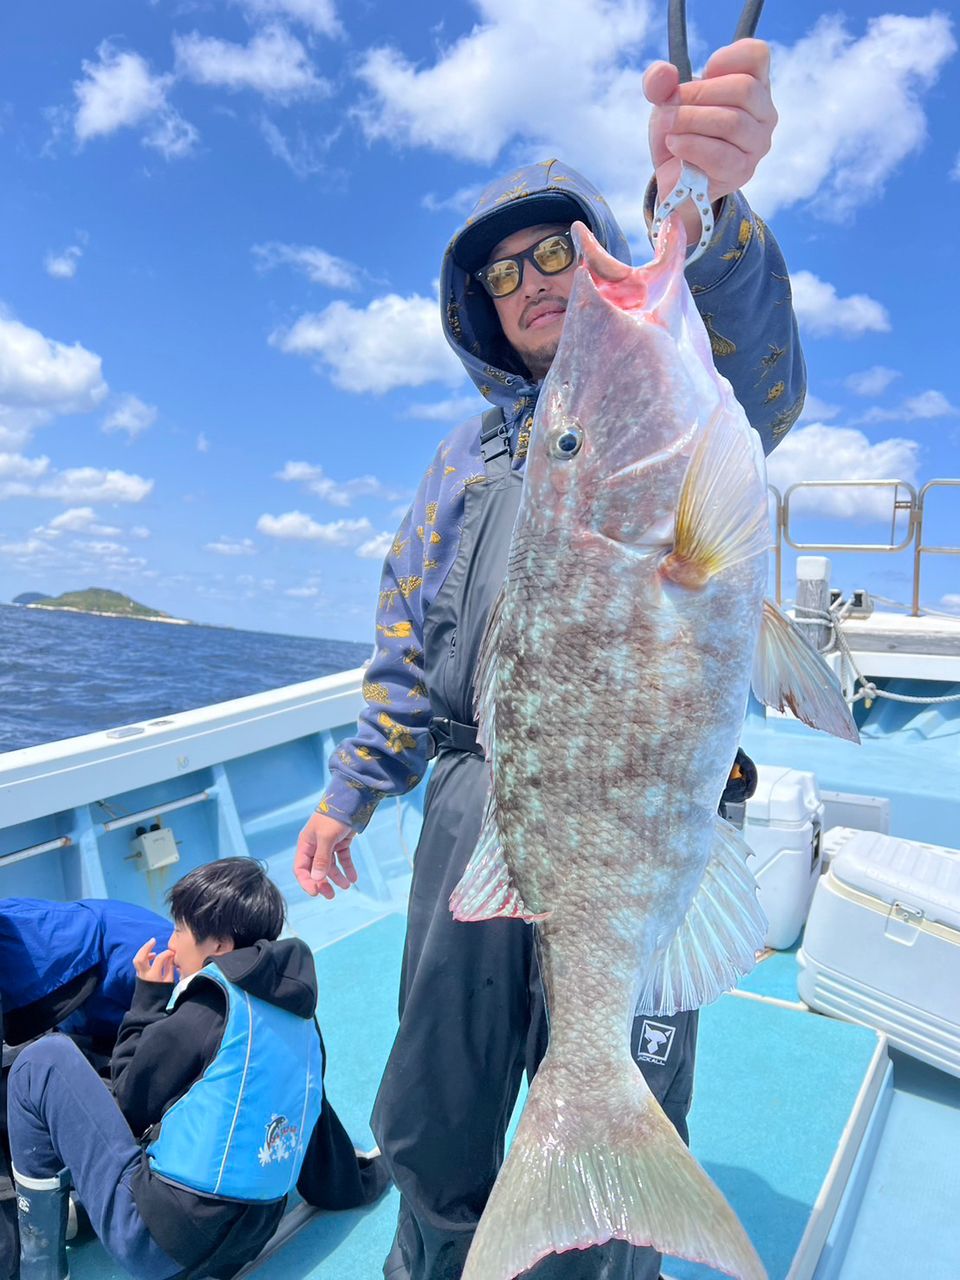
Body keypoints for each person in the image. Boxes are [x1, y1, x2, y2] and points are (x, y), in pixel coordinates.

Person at [293, 38, 801, 1280]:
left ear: (602, 253)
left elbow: (762, 367)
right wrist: (349, 791)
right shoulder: (459, 462)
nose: (533, 281)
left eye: (559, 251)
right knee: (435, 1107)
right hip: (477, 803)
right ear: (479, 306)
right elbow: (405, 638)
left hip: (636, 812)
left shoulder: (685, 392)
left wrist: (708, 211)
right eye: (504, 271)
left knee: (624, 1108)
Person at [6, 858, 386, 1280]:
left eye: (179, 930)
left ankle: (39, 1265)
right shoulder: (299, 1018)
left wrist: (147, 1001)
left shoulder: (206, 1008)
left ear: (219, 945)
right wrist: (362, 1179)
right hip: (245, 1241)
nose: (170, 943)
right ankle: (84, 1211)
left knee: (44, 1061)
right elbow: (311, 1120)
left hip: (161, 1245)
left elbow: (128, 1105)